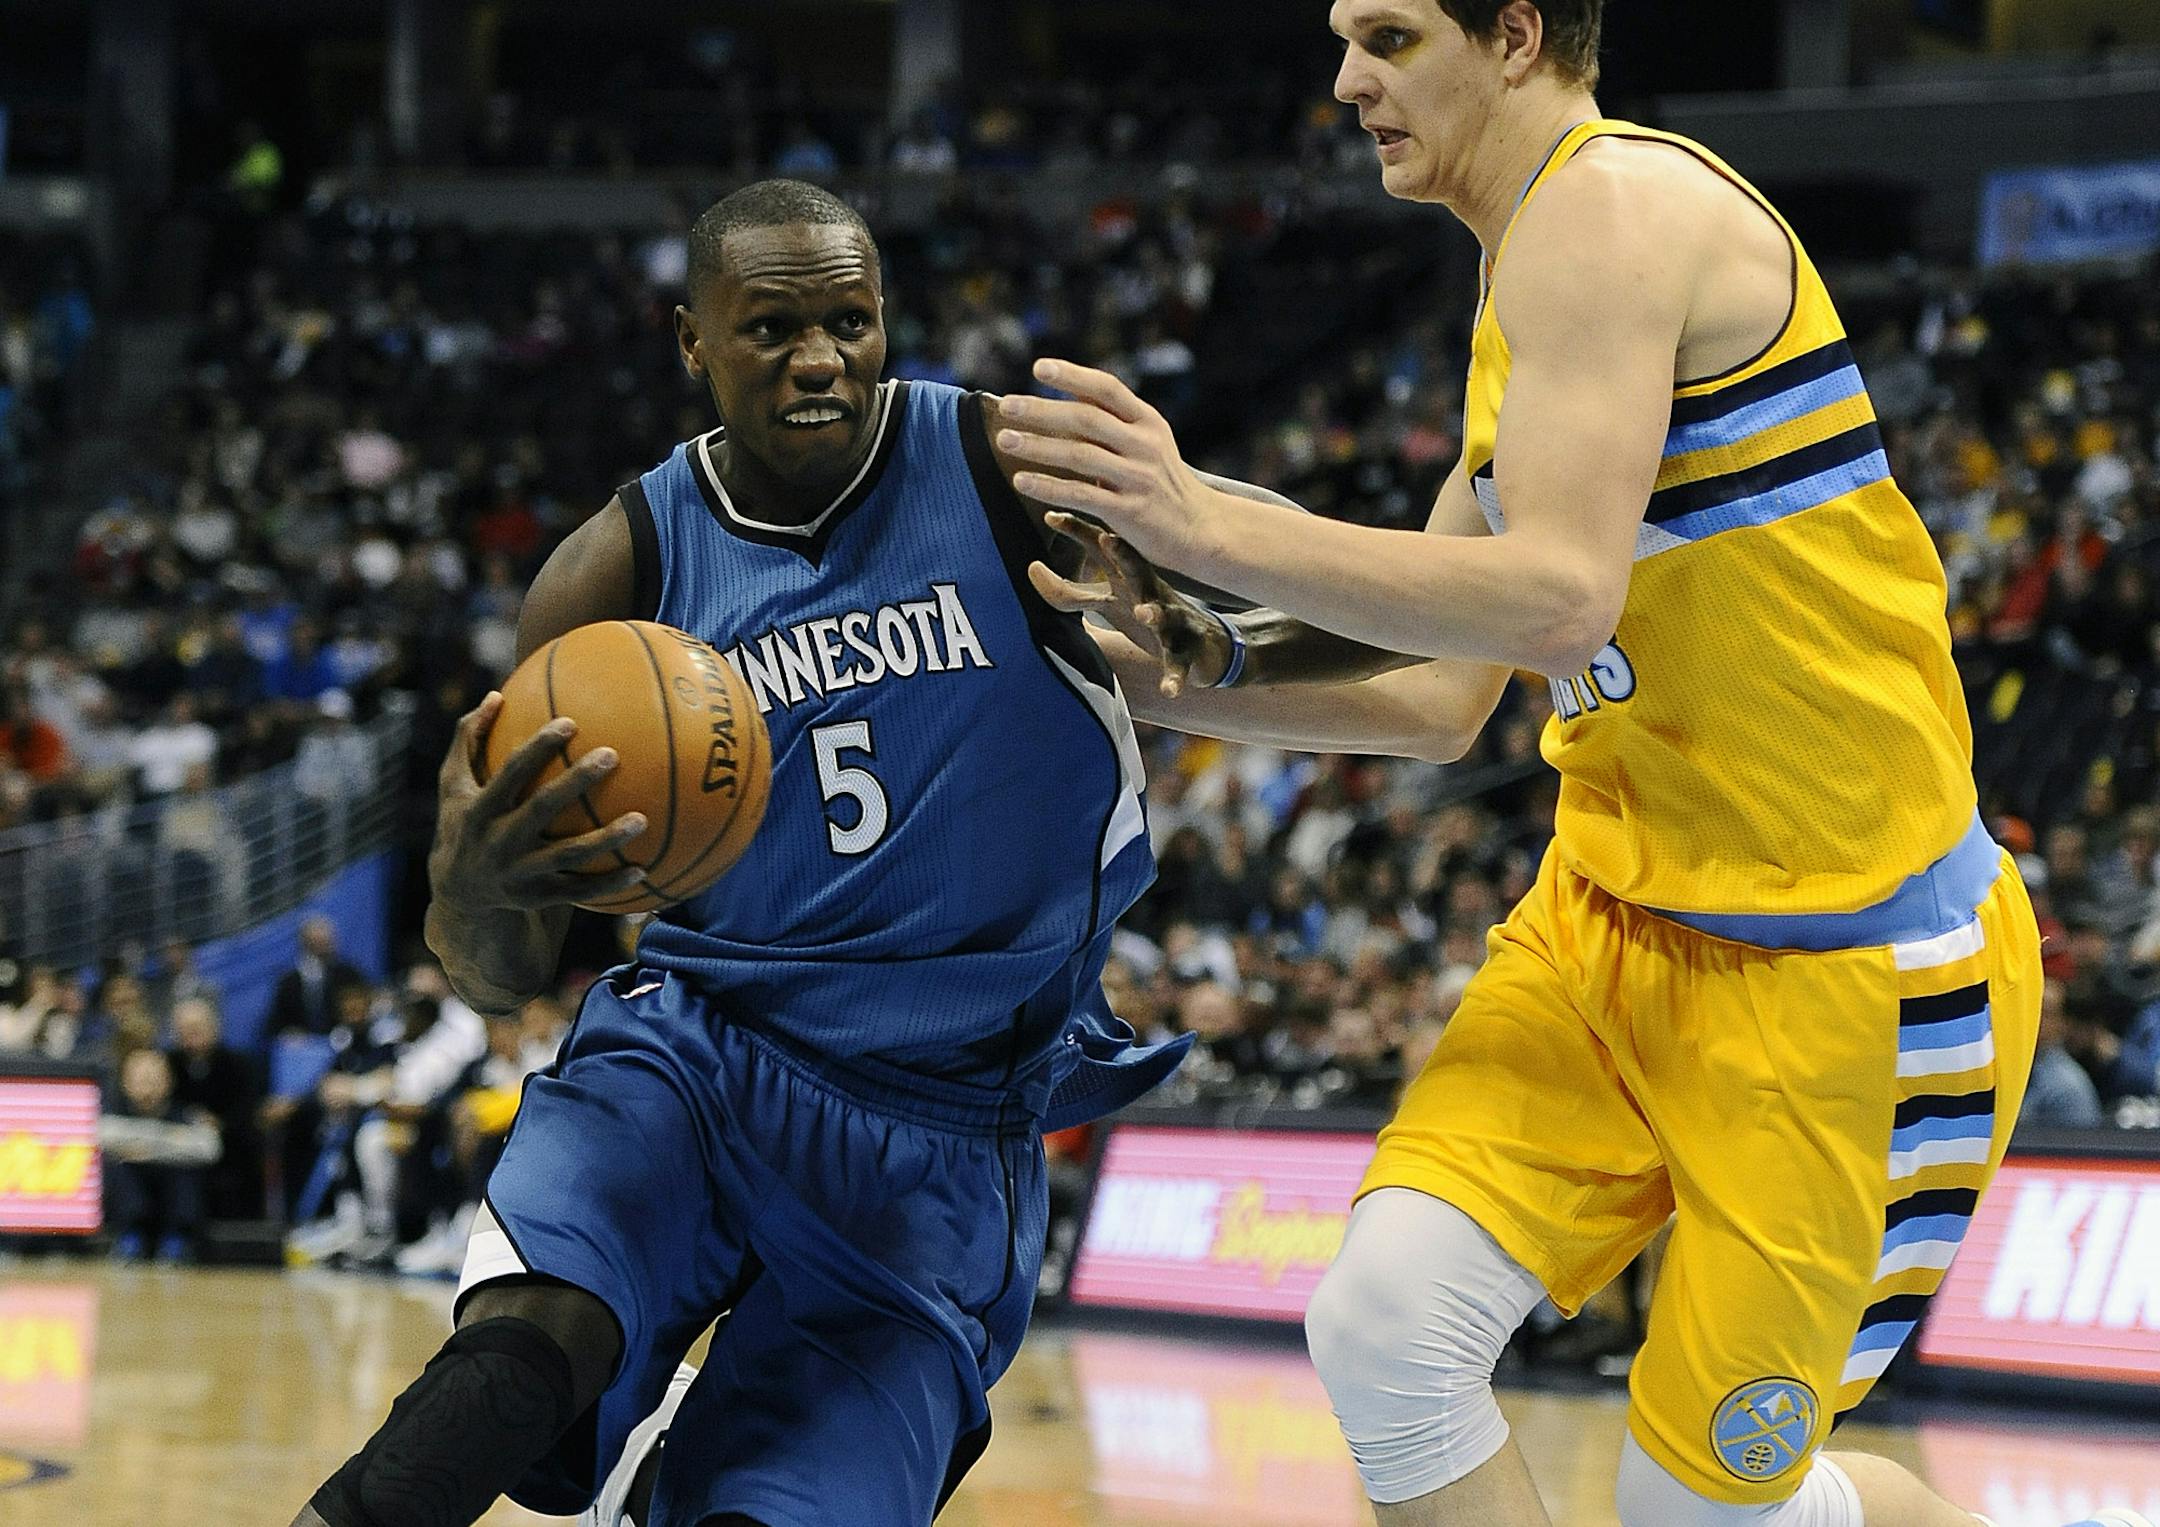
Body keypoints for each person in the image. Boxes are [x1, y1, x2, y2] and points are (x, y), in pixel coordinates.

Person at [989, 5, 2147, 1526]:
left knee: (1694, 1516)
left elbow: (1556, 597)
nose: (1347, 79)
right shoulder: (1522, 265)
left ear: (1519, 31)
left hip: (1850, 981)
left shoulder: (1609, 207)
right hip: (1612, 927)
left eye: (1393, 35)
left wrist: (1198, 519)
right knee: (1385, 1325)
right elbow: (1447, 698)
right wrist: (1186, 677)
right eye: (1344, 36)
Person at [288, 178, 1292, 1527]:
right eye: (772, 328)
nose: (822, 357)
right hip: (695, 1054)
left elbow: (1334, 600)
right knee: (527, 1349)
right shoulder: (610, 579)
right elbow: (496, 975)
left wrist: (1222, 614)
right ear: (691, 339)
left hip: (937, 1128)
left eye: (852, 321)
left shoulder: (1012, 472)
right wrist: (470, 882)